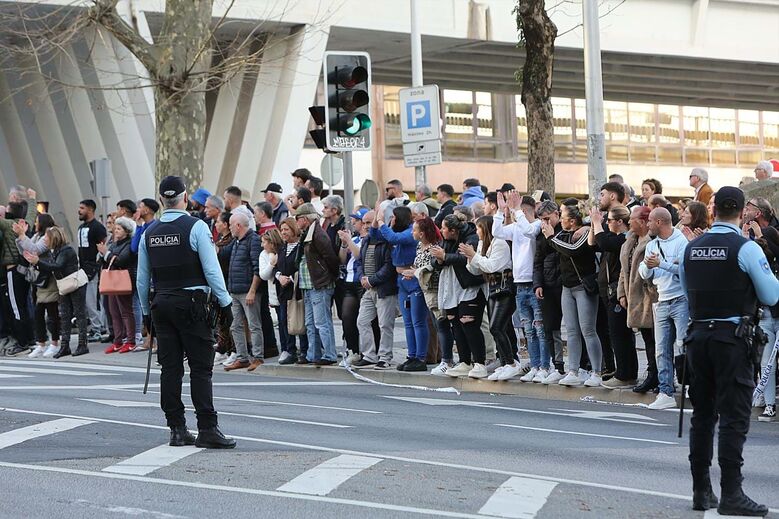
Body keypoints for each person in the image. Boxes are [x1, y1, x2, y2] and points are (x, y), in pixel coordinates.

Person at [679, 186, 779, 516]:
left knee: (703, 416)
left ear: (714, 210)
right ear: (740, 212)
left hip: (698, 338)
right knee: (734, 417)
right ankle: (732, 493)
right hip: (732, 340)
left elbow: (687, 291)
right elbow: (771, 295)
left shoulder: (691, 248)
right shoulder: (745, 248)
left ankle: (701, 490)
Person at [137, 175, 235, 449]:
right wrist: (225, 302)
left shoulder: (149, 233)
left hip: (161, 305)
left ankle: (177, 429)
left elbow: (142, 279)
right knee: (201, 369)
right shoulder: (196, 227)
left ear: (161, 199)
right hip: (192, 305)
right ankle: (207, 428)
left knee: (170, 369)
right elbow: (212, 270)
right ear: (185, 197)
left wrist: (146, 313)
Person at [542, 202, 603, 387]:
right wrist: (550, 236)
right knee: (571, 331)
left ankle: (597, 372)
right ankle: (573, 370)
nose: (560, 220)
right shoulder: (562, 234)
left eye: (563, 217)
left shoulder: (584, 233)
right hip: (567, 288)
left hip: (583, 287)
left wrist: (550, 237)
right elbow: (554, 246)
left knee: (588, 330)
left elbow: (573, 250)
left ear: (572, 220)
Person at [639, 207, 690, 410]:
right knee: (661, 350)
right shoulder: (652, 244)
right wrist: (648, 265)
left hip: (680, 299)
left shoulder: (681, 242)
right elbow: (644, 273)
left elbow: (684, 270)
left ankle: (689, 384)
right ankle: (665, 391)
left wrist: (661, 264)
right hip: (661, 300)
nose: (648, 224)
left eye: (650, 221)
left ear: (659, 222)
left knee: (683, 345)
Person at [493, 192, 547, 382]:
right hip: (519, 284)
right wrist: (500, 212)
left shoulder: (537, 225)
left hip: (534, 283)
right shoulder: (516, 226)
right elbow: (497, 232)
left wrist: (516, 210)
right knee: (528, 331)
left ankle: (544, 366)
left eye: (517, 209)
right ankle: (534, 365)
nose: (514, 213)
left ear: (524, 210)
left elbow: (529, 231)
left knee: (540, 329)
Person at [461, 215, 514, 381]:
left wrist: (474, 256)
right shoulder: (483, 244)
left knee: (497, 327)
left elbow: (492, 266)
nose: (477, 232)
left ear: (486, 229)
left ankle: (511, 362)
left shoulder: (500, 243)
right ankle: (504, 362)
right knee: (498, 327)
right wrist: (471, 257)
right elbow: (476, 270)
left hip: (504, 287)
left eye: (479, 228)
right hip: (492, 288)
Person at [433, 213, 486, 379]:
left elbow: (465, 258)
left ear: (453, 230)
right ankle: (464, 361)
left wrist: (445, 257)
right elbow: (436, 260)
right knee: (455, 325)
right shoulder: (446, 240)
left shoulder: (471, 238)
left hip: (469, 287)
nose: (441, 230)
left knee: (469, 324)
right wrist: (440, 259)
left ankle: (480, 363)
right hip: (452, 290)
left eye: (444, 228)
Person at [590, 205, 637, 388]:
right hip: (608, 291)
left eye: (609, 220)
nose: (606, 223)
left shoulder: (625, 238)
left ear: (619, 221)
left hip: (619, 292)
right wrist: (594, 224)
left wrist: (596, 222)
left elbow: (605, 243)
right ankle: (624, 372)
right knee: (615, 332)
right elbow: (593, 243)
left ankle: (625, 374)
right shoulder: (611, 236)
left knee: (620, 334)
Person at [24, 227, 87, 358]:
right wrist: (36, 263)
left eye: (46, 237)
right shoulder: (56, 251)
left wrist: (38, 262)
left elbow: (57, 266)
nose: (44, 240)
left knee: (79, 314)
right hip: (64, 285)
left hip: (74, 284)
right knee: (64, 315)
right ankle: (65, 346)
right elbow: (52, 267)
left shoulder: (66, 250)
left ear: (53, 238)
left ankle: (82, 344)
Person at [617, 206, 660, 393]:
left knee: (654, 339)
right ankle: (653, 374)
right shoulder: (630, 241)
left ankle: (656, 375)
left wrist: (652, 292)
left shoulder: (653, 242)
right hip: (633, 295)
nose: (628, 222)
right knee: (646, 336)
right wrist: (621, 292)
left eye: (632, 219)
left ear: (642, 221)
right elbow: (623, 270)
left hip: (648, 296)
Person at [294, 203, 340, 365]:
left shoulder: (318, 235)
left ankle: (329, 354)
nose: (296, 222)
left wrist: (329, 277)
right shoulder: (308, 233)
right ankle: (313, 354)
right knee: (310, 323)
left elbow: (331, 258)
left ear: (305, 219)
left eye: (298, 218)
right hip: (308, 285)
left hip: (319, 285)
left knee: (322, 322)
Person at [351, 210, 397, 370]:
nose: (365, 226)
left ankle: (385, 357)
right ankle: (369, 355)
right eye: (363, 223)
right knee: (362, 321)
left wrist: (372, 280)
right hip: (368, 289)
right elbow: (359, 261)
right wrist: (362, 277)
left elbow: (389, 266)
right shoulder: (366, 240)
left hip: (384, 289)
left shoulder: (386, 240)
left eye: (369, 223)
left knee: (385, 324)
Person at [223, 210, 264, 371]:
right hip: (235, 290)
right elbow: (222, 254)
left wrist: (252, 291)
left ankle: (258, 357)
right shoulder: (237, 241)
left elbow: (257, 268)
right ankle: (242, 357)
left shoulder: (253, 240)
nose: (230, 228)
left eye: (231, 225)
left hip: (247, 291)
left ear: (239, 225)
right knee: (235, 325)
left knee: (254, 325)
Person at [14, 214, 60, 358]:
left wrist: (23, 235)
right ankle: (41, 343)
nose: (35, 224)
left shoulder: (49, 234)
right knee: (38, 312)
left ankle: (55, 343)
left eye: (37, 221)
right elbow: (25, 251)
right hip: (37, 278)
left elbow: (35, 250)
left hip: (48, 277)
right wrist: (21, 236)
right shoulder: (37, 235)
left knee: (51, 312)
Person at [408, 218, 447, 374]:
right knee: (429, 322)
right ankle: (435, 356)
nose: (412, 232)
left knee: (439, 323)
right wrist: (414, 272)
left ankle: (443, 358)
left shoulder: (434, 248)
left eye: (415, 230)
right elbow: (419, 266)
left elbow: (433, 269)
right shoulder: (419, 246)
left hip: (433, 289)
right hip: (422, 288)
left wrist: (415, 272)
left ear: (422, 233)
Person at [0, 195, 37, 355]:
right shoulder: (24, 224)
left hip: (12, 271)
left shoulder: (9, 225)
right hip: (23, 271)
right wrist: (32, 199)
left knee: (16, 307)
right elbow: (31, 214)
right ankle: (30, 339)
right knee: (25, 305)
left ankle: (22, 343)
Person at [533, 201, 565, 383]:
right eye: (542, 220)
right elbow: (537, 262)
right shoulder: (541, 235)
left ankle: (583, 365)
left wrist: (552, 237)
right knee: (550, 328)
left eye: (547, 219)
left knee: (576, 328)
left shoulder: (563, 231)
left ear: (556, 215)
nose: (545, 223)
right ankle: (558, 364)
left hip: (564, 284)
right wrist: (538, 284)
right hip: (547, 284)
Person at [98, 216, 137, 354]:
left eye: (119, 229)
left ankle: (130, 341)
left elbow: (121, 260)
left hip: (123, 280)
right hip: (112, 280)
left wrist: (106, 253)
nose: (116, 231)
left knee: (126, 311)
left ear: (126, 231)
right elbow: (107, 260)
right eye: (116, 228)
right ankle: (118, 341)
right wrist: (103, 254)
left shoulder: (129, 244)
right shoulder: (114, 244)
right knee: (113, 311)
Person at [337, 208, 370, 365]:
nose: (353, 223)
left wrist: (349, 241)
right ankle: (353, 350)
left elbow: (359, 255)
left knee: (365, 320)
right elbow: (342, 259)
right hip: (349, 281)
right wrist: (344, 245)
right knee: (347, 317)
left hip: (361, 282)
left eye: (355, 221)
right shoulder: (355, 239)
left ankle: (369, 352)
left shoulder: (368, 239)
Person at [274, 217, 309, 365]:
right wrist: (279, 276)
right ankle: (290, 350)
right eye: (282, 230)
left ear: (294, 230)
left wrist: (290, 278)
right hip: (283, 291)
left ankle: (305, 350)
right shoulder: (282, 248)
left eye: (286, 229)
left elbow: (301, 267)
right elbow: (276, 267)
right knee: (284, 321)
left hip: (297, 291)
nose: (283, 232)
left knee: (300, 320)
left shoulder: (300, 247)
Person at [77, 199, 108, 341]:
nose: (79, 211)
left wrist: (96, 265)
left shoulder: (98, 227)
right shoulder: (81, 227)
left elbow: (103, 246)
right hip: (82, 268)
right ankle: (96, 326)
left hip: (93, 268)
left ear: (90, 209)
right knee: (86, 300)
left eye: (82, 208)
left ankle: (97, 328)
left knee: (92, 300)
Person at [213, 211, 235, 365]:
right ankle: (222, 346)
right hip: (219, 282)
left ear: (226, 224)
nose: (216, 225)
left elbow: (222, 256)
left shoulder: (230, 242)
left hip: (227, 282)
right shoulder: (220, 240)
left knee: (230, 318)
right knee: (221, 319)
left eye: (218, 222)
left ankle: (231, 349)